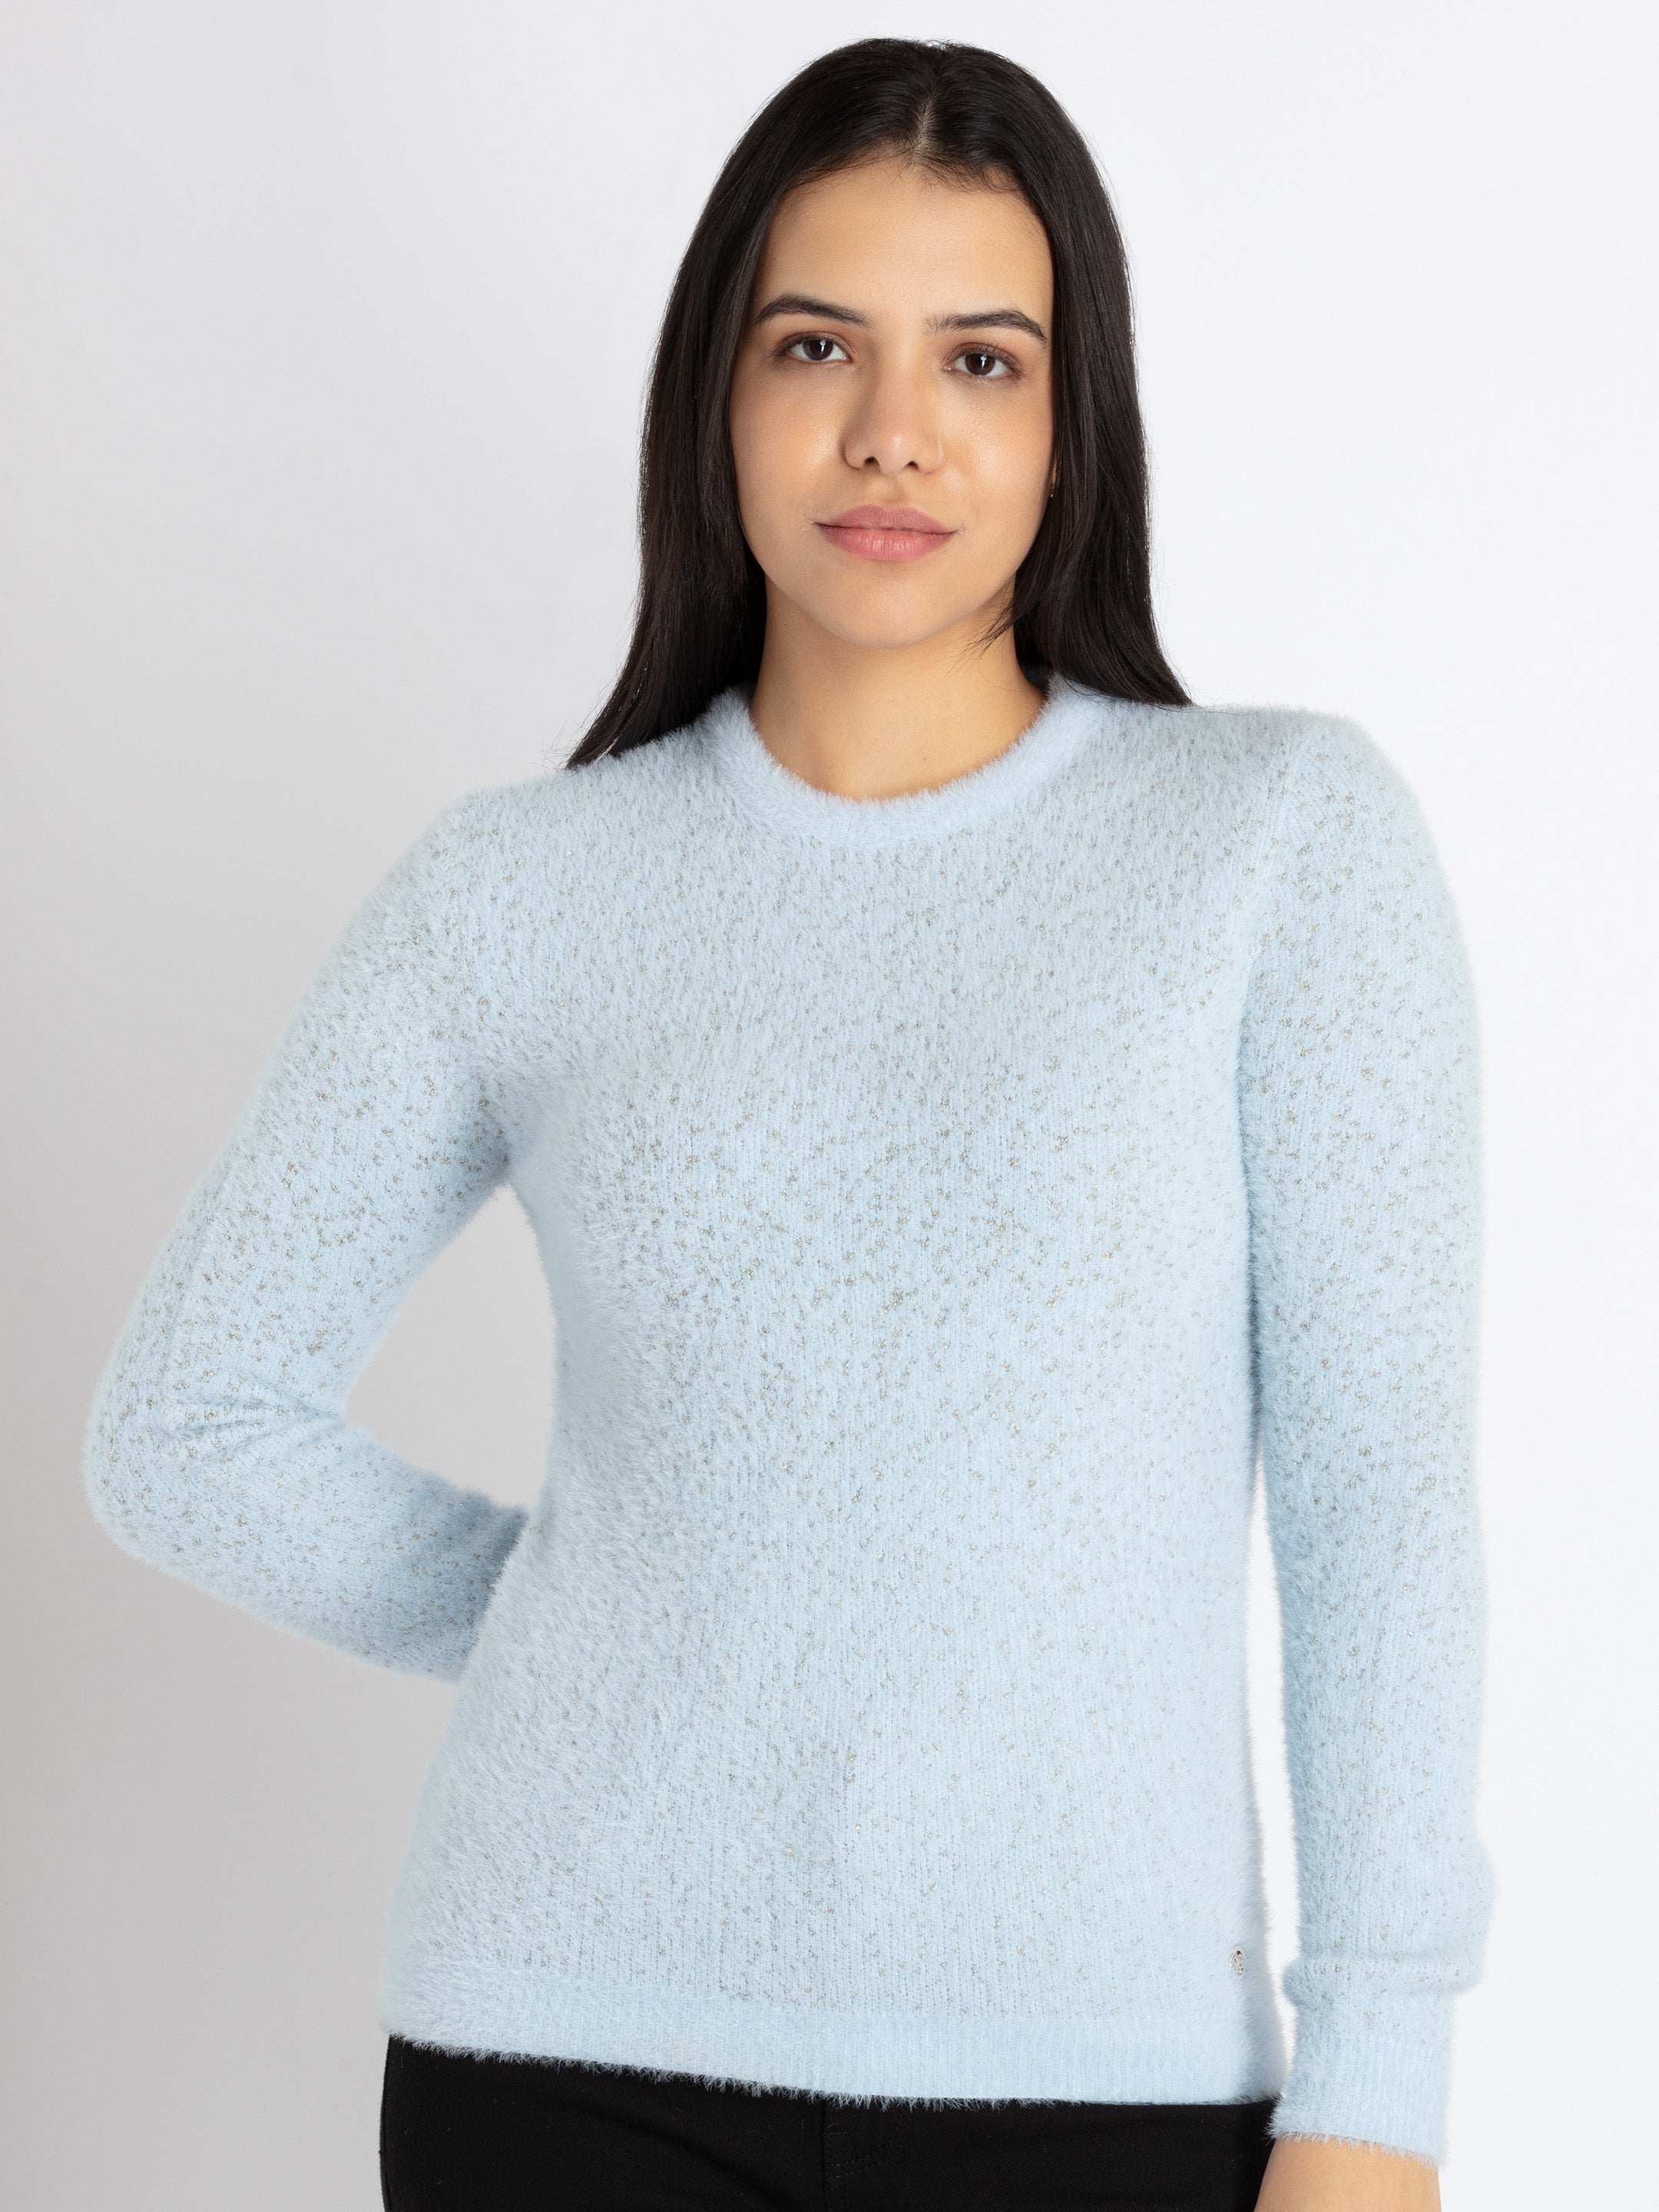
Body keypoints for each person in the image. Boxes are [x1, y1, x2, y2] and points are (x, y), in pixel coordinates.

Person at [83, 37, 1493, 2212]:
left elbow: (1376, 1501)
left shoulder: (1276, 845)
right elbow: (184, 1425)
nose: (893, 429)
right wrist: (611, 1608)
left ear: (1074, 420)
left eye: (983, 360)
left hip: (1110, 2087)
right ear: (716, 396)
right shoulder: (514, 892)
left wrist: (1377, 2084)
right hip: (557, 2062)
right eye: (817, 343)